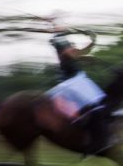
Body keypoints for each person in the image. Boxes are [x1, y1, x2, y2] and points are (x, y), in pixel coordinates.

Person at [45, 22, 111, 152]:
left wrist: (92, 42)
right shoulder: (65, 52)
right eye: (70, 45)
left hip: (75, 81)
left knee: (96, 105)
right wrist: (92, 40)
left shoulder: (67, 52)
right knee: (95, 105)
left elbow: (81, 53)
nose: (72, 46)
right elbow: (81, 51)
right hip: (73, 84)